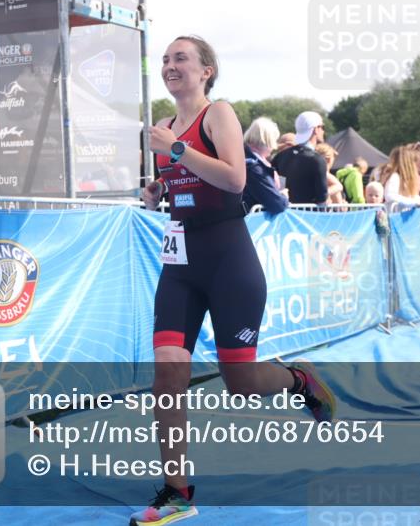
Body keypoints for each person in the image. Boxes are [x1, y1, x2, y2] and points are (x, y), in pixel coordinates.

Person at [136, 36, 335, 525]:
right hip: (180, 265)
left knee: (240, 383)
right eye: (164, 59)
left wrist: (177, 151)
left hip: (229, 262)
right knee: (167, 375)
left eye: (180, 58)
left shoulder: (218, 114)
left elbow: (234, 181)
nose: (169, 65)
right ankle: (177, 492)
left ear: (206, 71)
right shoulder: (163, 127)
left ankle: (298, 377)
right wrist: (157, 191)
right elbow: (180, 187)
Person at [271, 111, 328, 205]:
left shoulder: (280, 156)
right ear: (315, 129)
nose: (323, 131)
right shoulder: (317, 160)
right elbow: (322, 199)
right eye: (322, 127)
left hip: (285, 214)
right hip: (310, 217)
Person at [242, 117, 288, 215]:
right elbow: (277, 204)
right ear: (268, 140)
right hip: (249, 225)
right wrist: (284, 196)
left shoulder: (242, 157)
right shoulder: (254, 168)